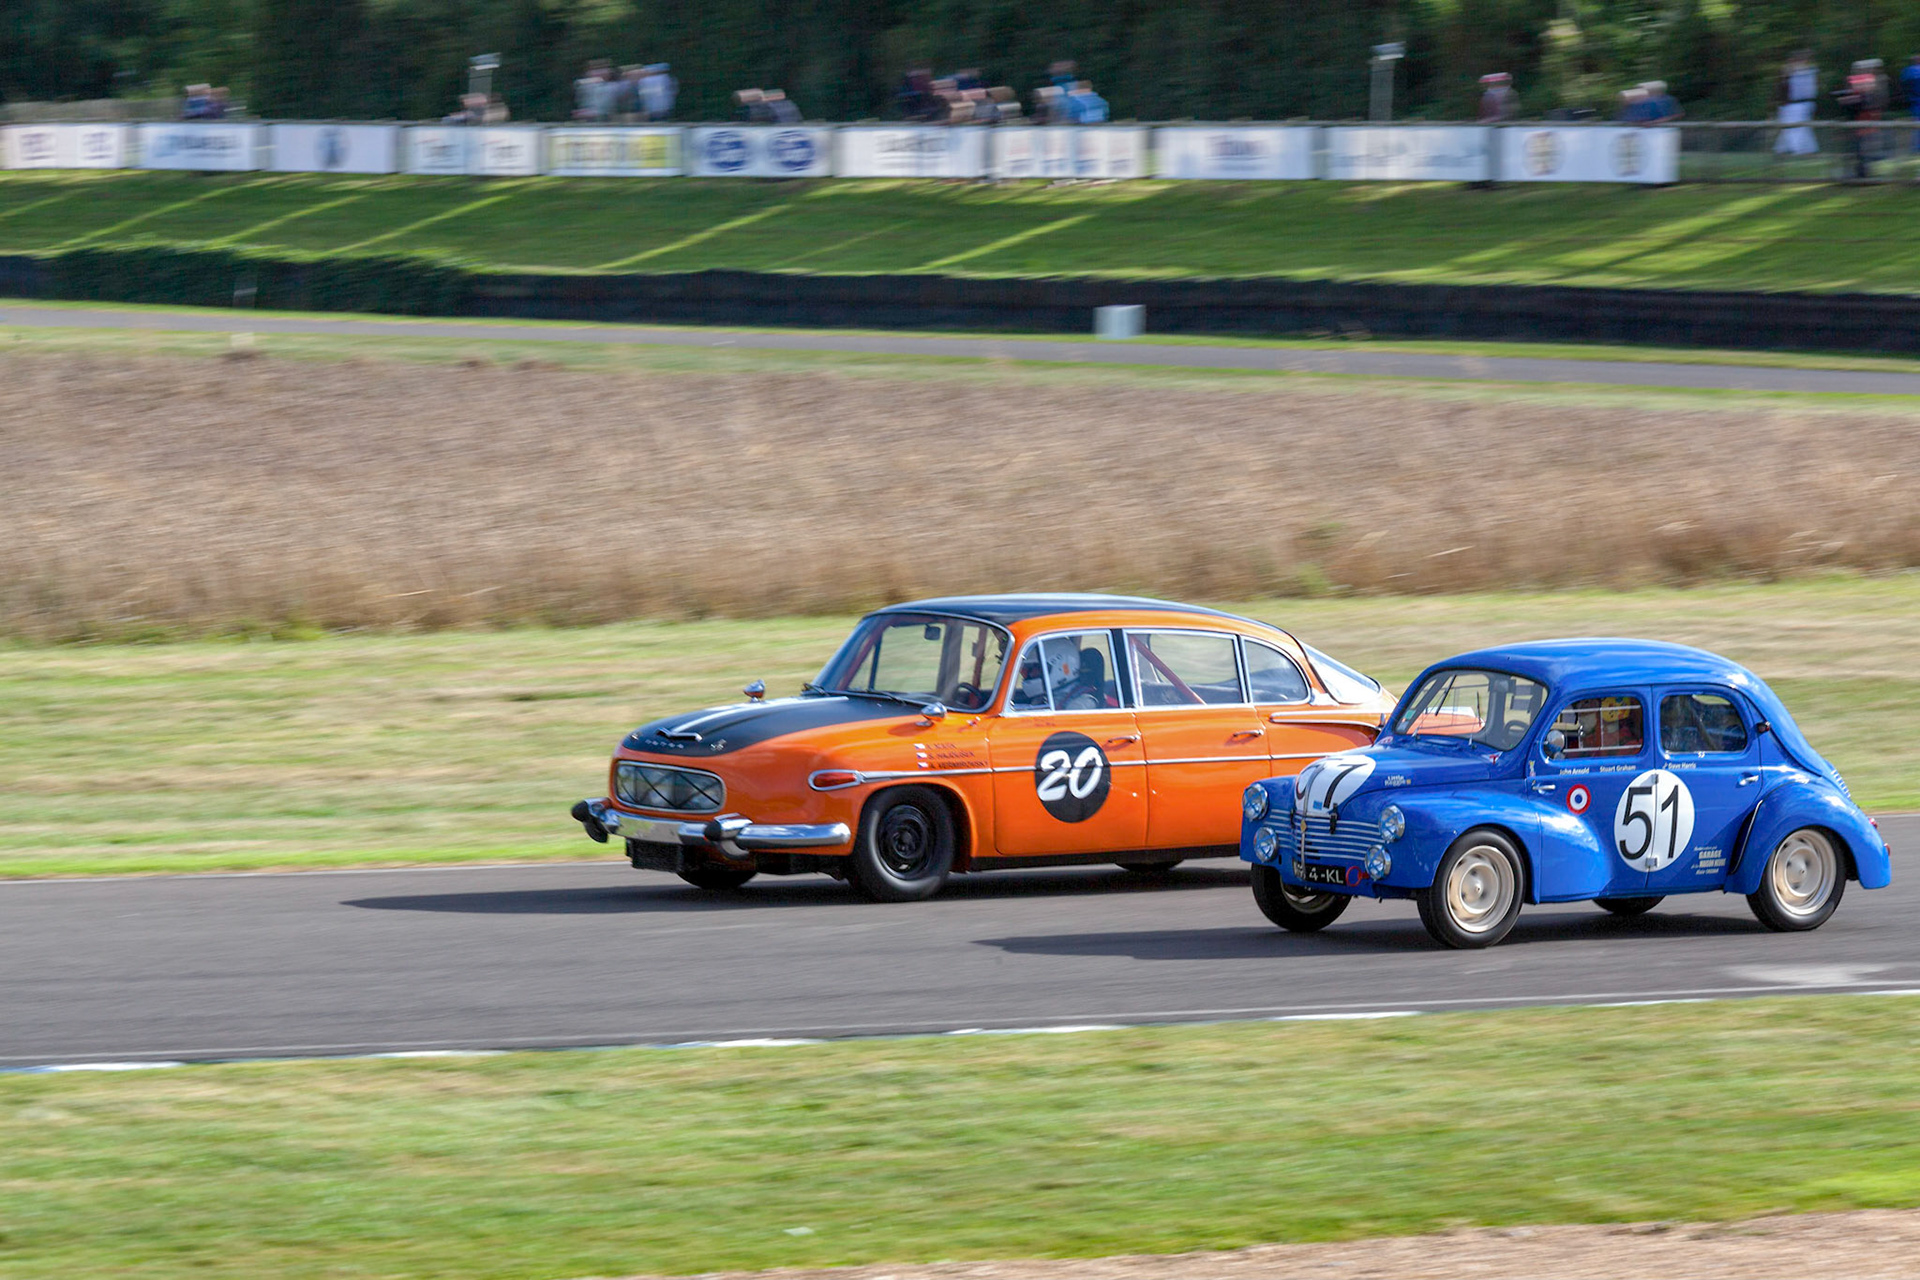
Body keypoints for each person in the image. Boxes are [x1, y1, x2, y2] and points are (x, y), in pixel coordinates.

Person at [1774, 50, 1818, 156]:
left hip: (1798, 104)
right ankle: (1788, 148)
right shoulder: (1790, 73)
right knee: (1791, 127)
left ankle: (1797, 149)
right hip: (1789, 104)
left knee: (1797, 127)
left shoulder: (1804, 73)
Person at [1903, 54, 1920, 152]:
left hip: (1913, 101)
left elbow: (1904, 84)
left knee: (1916, 123)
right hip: (1916, 101)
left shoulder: (1907, 71)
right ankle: (1917, 147)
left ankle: (1916, 146)